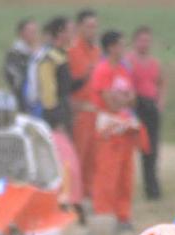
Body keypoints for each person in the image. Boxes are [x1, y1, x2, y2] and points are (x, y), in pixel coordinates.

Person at [90, 30, 147, 231]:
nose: (124, 49)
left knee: (125, 175)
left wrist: (122, 99)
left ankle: (123, 216)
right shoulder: (102, 70)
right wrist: (123, 99)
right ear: (111, 47)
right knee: (107, 175)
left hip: (124, 130)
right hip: (109, 131)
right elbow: (110, 103)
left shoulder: (123, 69)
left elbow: (132, 99)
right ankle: (105, 216)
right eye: (121, 45)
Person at [127, 26, 165, 200]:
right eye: (141, 40)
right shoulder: (128, 61)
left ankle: (152, 188)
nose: (144, 44)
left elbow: (161, 83)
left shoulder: (155, 63)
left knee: (151, 148)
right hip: (135, 105)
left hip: (151, 105)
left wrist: (160, 102)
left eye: (147, 41)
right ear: (135, 42)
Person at [68, 9, 100, 197]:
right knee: (79, 154)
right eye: (88, 26)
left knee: (94, 156)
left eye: (94, 27)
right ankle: (76, 194)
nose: (92, 30)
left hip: (95, 112)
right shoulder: (71, 51)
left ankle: (90, 192)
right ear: (79, 27)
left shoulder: (96, 51)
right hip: (79, 112)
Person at [37, 17, 73, 133]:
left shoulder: (63, 54)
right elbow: (48, 95)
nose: (73, 34)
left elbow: (66, 86)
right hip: (56, 118)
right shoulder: (49, 59)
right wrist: (57, 122)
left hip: (65, 112)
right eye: (70, 31)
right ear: (60, 33)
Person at [4, 18, 39, 112]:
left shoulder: (38, 52)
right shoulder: (14, 53)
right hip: (22, 101)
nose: (34, 34)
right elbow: (15, 80)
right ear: (21, 33)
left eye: (35, 31)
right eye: (31, 31)